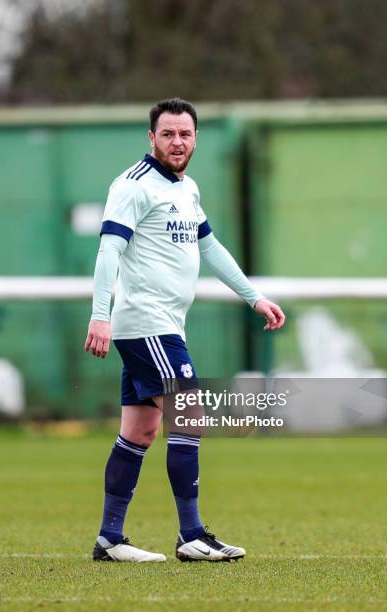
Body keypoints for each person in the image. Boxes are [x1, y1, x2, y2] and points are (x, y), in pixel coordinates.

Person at [85, 97, 285, 563]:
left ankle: (110, 539)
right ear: (151, 137)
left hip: (163, 326)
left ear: (195, 138)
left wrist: (253, 296)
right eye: (169, 133)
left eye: (186, 134)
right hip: (146, 324)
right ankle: (191, 534)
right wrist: (100, 313)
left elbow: (210, 248)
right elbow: (108, 251)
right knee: (189, 416)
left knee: (139, 432)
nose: (178, 141)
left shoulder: (186, 188)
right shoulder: (132, 185)